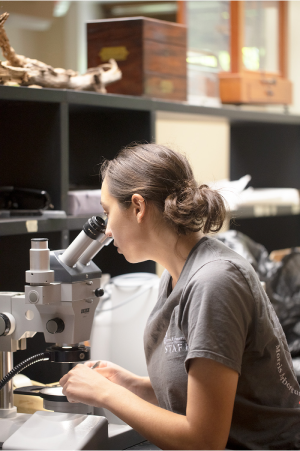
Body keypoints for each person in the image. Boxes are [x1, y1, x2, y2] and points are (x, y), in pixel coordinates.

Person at [60, 144, 300, 451]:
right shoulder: (176, 276)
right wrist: (129, 385)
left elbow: (203, 440)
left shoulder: (215, 281)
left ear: (137, 206)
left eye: (107, 213)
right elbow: (201, 396)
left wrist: (106, 394)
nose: (106, 230)